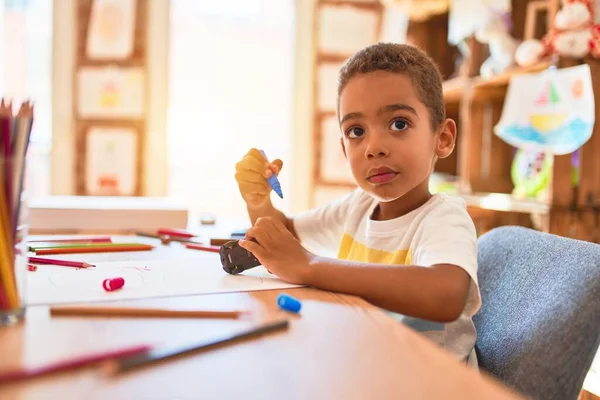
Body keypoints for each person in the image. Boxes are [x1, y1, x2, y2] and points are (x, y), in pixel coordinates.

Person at [234, 43, 481, 365]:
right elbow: (286, 239)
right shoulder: (357, 207)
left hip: (431, 383)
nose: (373, 147)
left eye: (399, 124)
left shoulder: (443, 218)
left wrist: (310, 266)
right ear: (343, 146)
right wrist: (259, 203)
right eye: (356, 131)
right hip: (368, 366)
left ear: (443, 138)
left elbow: (445, 295)